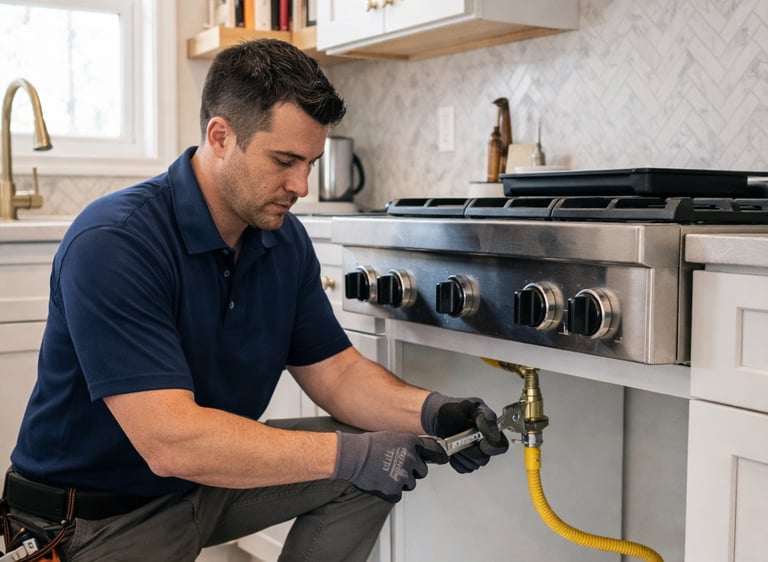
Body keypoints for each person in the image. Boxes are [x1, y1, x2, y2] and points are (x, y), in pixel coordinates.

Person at [1, 39, 508, 562]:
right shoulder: (116, 241)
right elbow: (171, 441)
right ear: (220, 136)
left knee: (376, 459)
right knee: (356, 455)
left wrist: (431, 411)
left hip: (198, 489)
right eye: (284, 160)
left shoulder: (282, 240)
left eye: (311, 162)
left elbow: (336, 374)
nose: (301, 185)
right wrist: (350, 454)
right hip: (93, 521)